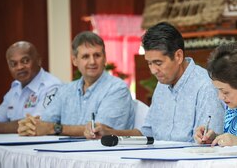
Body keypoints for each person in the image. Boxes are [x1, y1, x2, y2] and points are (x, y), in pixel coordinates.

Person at [85, 22, 225, 142]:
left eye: (158, 63)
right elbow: (147, 135)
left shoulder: (206, 87)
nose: (153, 70)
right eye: (149, 63)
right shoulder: (162, 85)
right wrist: (108, 132)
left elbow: (207, 143)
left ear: (178, 56)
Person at [17, 31, 135, 136]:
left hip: (102, 157)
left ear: (105, 58)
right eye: (85, 56)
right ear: (74, 60)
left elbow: (100, 131)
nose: (92, 61)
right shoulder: (65, 89)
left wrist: (54, 128)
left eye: (97, 55)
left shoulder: (117, 88)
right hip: (66, 156)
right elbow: (46, 122)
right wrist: (31, 126)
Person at [0, 41, 61, 134]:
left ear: (38, 60)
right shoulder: (15, 87)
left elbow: (33, 124)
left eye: (25, 61)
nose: (19, 67)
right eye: (13, 64)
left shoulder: (52, 86)